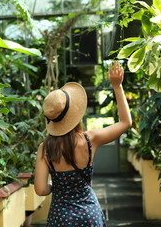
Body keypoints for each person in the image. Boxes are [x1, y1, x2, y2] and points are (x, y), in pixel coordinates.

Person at [34, 61, 132, 227]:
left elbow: (40, 189)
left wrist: (54, 185)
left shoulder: (45, 149)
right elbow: (125, 122)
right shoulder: (90, 140)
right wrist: (117, 86)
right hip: (89, 215)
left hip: (61, 218)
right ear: (75, 113)